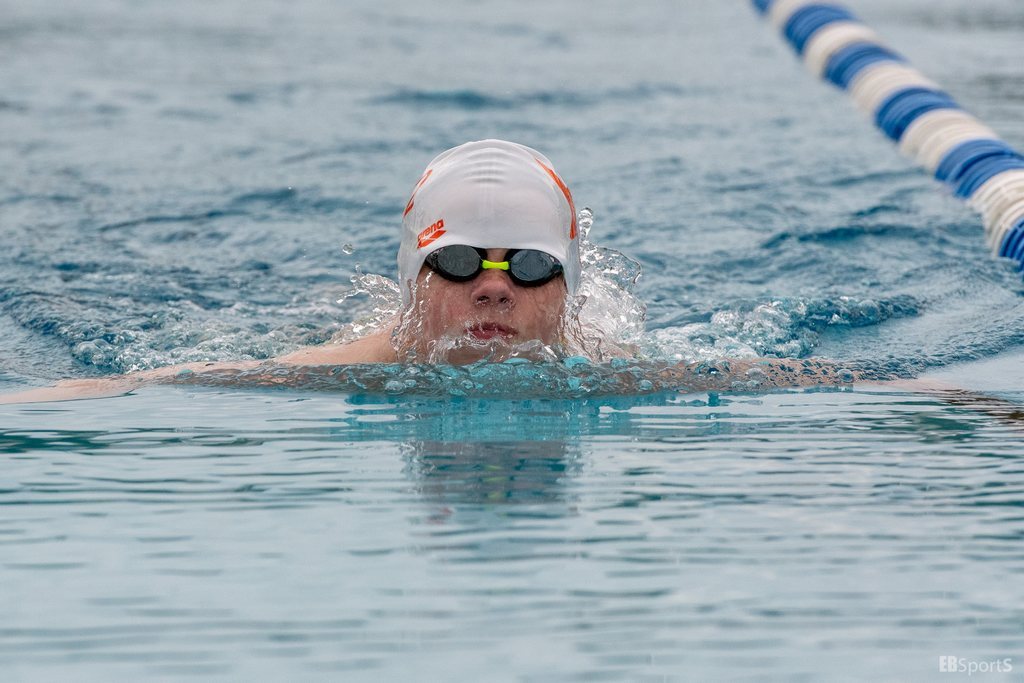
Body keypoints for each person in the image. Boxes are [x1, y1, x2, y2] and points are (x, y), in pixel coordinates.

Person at [0, 139, 898, 404]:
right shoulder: (355, 364)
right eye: (459, 260)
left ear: (569, 290)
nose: (493, 286)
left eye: (531, 266)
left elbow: (792, 377)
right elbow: (159, 382)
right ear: (414, 280)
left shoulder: (618, 369)